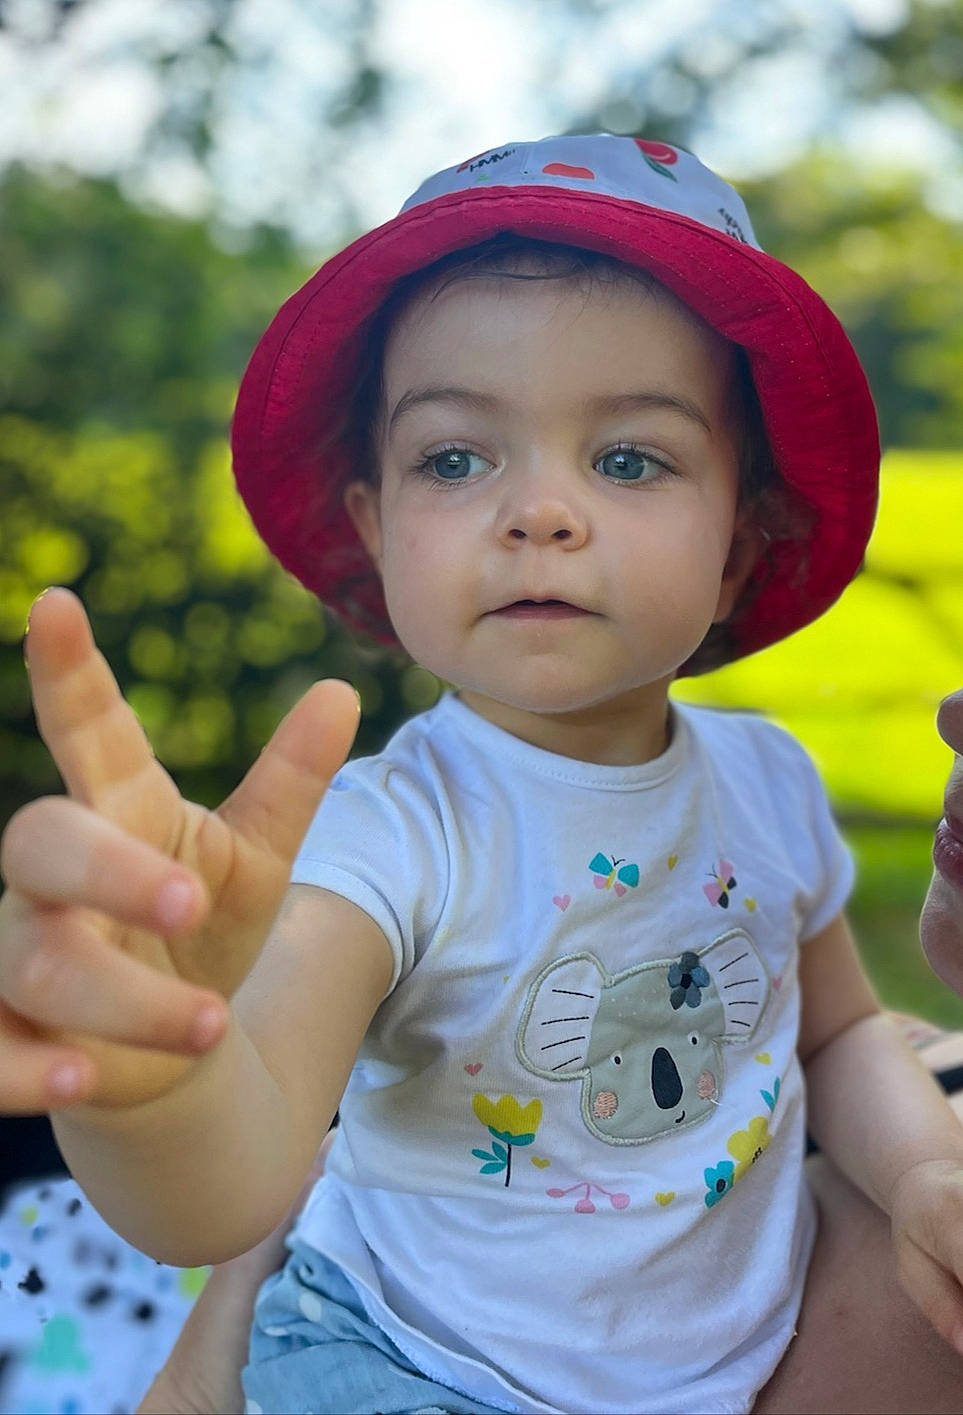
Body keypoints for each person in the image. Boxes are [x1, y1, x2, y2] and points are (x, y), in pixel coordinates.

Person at [2, 133, 963, 1415]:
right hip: (414, 1366)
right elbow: (238, 1170)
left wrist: (917, 1176)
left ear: (742, 542)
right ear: (375, 526)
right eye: (456, 458)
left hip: (728, 1360)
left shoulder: (769, 781)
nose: (540, 512)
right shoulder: (397, 835)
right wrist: (161, 1081)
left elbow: (839, 1029)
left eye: (629, 458)